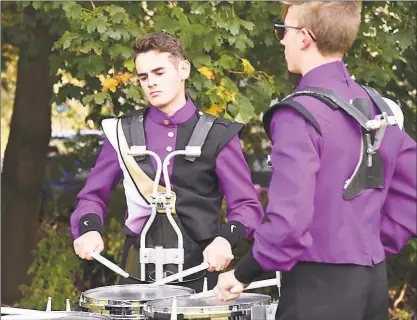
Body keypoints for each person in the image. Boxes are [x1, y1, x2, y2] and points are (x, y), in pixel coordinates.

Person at [214, 2, 417, 320]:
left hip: (316, 290)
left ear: (305, 37)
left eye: (284, 31)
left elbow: (289, 222)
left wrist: (242, 273)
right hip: (373, 283)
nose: (281, 40)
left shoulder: (298, 114)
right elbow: (412, 195)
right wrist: (371, 244)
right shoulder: (382, 108)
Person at [70, 33, 264, 293]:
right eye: (143, 77)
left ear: (183, 69)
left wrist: (225, 240)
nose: (151, 83)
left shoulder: (219, 134)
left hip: (200, 274)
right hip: (136, 277)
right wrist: (89, 229)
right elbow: (92, 196)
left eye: (159, 72)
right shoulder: (121, 133)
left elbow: (247, 206)